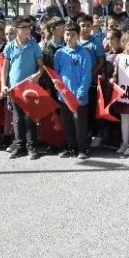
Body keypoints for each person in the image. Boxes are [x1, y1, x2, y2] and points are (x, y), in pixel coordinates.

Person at [0, 16, 44, 160]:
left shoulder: (34, 45)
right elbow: (5, 69)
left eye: (28, 27)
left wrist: (37, 75)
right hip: (14, 88)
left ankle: (32, 146)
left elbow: (41, 66)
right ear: (16, 29)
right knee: (17, 118)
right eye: (23, 27)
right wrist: (3, 85)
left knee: (29, 117)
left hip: (29, 87)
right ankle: (20, 146)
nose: (26, 29)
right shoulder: (10, 47)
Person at [54, 21, 93, 160]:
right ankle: (71, 147)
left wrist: (80, 94)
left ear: (78, 36)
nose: (69, 37)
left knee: (80, 125)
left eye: (72, 35)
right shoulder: (59, 53)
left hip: (78, 98)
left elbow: (86, 76)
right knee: (67, 124)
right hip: (64, 97)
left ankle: (82, 148)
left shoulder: (84, 54)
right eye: (67, 34)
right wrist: (59, 90)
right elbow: (56, 75)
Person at [77, 13, 105, 148]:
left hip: (92, 82)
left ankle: (95, 134)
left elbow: (101, 62)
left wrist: (90, 74)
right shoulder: (74, 41)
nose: (86, 28)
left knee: (92, 109)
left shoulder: (96, 43)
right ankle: (81, 134)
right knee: (80, 110)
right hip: (77, 83)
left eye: (88, 26)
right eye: (83, 26)